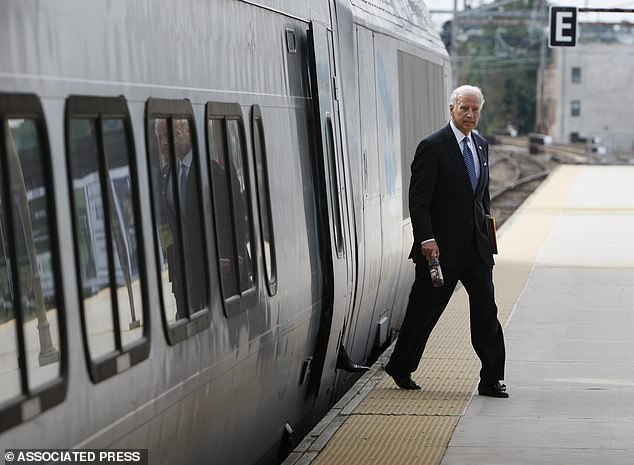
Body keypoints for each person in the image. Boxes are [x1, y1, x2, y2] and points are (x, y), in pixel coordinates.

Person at [384, 85, 508, 398]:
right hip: (439, 250)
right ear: (452, 109)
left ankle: (491, 379)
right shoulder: (432, 147)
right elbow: (419, 200)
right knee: (424, 310)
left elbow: (482, 199)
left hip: (476, 249)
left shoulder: (481, 145)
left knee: (486, 311)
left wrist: (489, 239)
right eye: (464, 108)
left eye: (475, 109)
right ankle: (401, 366)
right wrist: (426, 238)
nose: (470, 114)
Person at [155, 118, 208, 320]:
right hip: (181, 276)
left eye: (172, 135)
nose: (165, 143)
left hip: (210, 271)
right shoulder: (166, 175)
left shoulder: (208, 169)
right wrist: (171, 261)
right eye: (160, 138)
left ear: (190, 133)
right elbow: (166, 224)